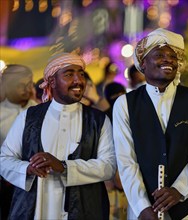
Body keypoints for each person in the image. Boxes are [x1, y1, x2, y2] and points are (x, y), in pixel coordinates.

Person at [0, 52, 117, 220]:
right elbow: (4, 159)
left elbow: (109, 166)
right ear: (52, 82)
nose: (78, 80)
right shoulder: (29, 117)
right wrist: (26, 169)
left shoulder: (98, 120)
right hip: (34, 210)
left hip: (85, 211)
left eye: (81, 74)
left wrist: (64, 167)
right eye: (69, 74)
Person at [113, 28, 188, 219]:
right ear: (143, 63)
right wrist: (142, 206)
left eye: (173, 56)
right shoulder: (125, 104)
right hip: (143, 210)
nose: (168, 59)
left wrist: (179, 190)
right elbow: (126, 160)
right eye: (159, 55)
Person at [0, 64, 37, 220]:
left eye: (30, 84)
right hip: (6, 185)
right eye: (21, 86)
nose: (28, 90)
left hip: (37, 181)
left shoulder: (39, 109)